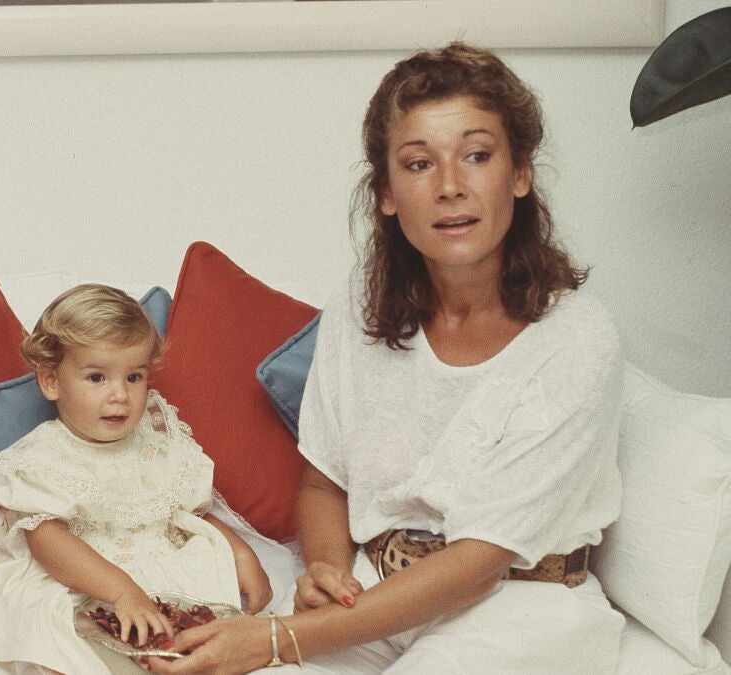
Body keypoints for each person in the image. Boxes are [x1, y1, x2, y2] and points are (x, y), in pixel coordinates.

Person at [148, 42, 626, 674]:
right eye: (419, 164)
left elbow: (478, 564)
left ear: (519, 175)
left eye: (477, 156)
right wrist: (326, 572)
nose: (451, 187)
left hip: (520, 604)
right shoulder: (360, 304)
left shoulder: (576, 338)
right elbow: (324, 482)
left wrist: (278, 638)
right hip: (373, 591)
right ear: (387, 194)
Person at [0, 283, 275, 673]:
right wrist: (122, 592)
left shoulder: (156, 439)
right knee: (64, 637)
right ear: (51, 381)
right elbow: (47, 540)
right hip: (82, 579)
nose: (120, 395)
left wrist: (241, 555)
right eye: (97, 378)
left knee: (206, 636)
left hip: (163, 565)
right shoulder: (46, 455)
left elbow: (190, 512)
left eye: (134, 377)